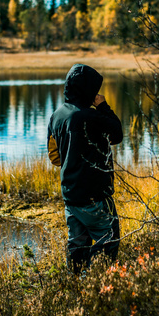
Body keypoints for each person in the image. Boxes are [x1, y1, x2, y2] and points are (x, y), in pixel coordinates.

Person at [47, 63, 123, 274]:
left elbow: (55, 157)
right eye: (94, 89)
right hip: (95, 195)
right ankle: (97, 287)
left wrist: (73, 159)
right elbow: (117, 134)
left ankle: (77, 284)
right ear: (87, 90)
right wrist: (103, 106)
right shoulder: (92, 116)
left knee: (77, 244)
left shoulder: (56, 116)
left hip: (70, 195)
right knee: (108, 240)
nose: (97, 93)